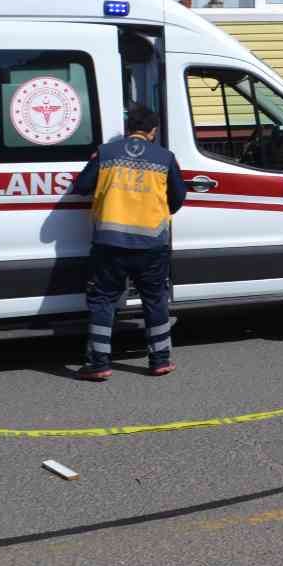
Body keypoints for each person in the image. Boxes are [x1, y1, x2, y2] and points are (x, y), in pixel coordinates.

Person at [72, 104, 189, 381]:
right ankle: (159, 360)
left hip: (110, 242)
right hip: (152, 243)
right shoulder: (164, 157)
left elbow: (82, 186)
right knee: (155, 299)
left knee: (103, 300)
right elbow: (179, 197)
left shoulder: (105, 153)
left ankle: (98, 364)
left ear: (128, 129)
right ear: (153, 131)